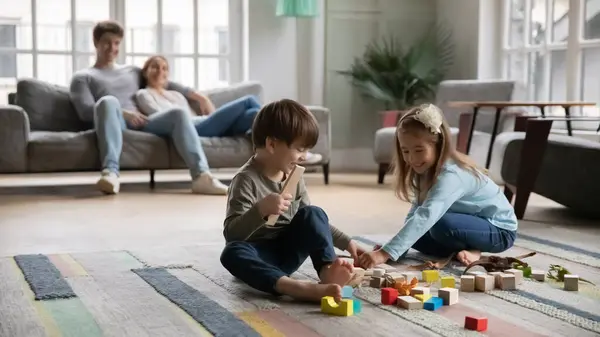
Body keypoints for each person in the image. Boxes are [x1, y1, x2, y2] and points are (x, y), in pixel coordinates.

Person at [219, 99, 365, 302]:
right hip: (260, 256)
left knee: (314, 212)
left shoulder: (294, 176)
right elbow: (232, 234)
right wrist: (260, 210)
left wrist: (347, 242)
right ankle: (292, 287)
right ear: (271, 144)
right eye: (300, 149)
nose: (304, 157)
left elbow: (314, 223)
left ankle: (327, 272)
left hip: (288, 252)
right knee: (231, 252)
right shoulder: (245, 180)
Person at [69, 20, 228, 195]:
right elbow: (85, 111)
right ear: (96, 43)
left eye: (116, 43)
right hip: (114, 121)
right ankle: (110, 173)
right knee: (108, 101)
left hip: (143, 121)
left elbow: (165, 82)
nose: (111, 48)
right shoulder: (83, 77)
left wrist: (200, 97)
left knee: (178, 113)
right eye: (106, 42)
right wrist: (124, 114)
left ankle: (201, 177)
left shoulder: (131, 71)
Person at [358, 103, 518, 269]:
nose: (412, 159)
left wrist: (384, 254)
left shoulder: (452, 175)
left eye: (419, 150)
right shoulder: (424, 171)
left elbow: (426, 215)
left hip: (498, 230)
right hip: (464, 224)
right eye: (406, 151)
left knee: (440, 226)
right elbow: (415, 214)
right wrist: (393, 251)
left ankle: (474, 249)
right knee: (417, 235)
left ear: (438, 145)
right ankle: (459, 250)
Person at [135, 55, 324, 163]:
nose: (160, 71)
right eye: (155, 67)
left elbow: (202, 113)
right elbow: (159, 117)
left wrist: (204, 103)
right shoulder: (144, 94)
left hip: (202, 122)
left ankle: (290, 147)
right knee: (249, 100)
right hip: (190, 128)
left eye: (164, 68)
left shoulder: (176, 95)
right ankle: (291, 143)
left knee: (252, 115)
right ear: (145, 71)